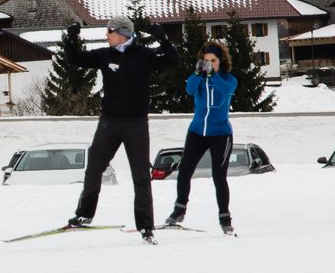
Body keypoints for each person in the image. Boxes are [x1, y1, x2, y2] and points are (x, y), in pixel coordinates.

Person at [63, 16, 178, 241]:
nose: (107, 36)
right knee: (94, 167)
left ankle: (145, 226)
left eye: (109, 32)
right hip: (109, 121)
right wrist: (71, 37)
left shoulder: (144, 55)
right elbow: (74, 59)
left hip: (135, 123)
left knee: (141, 176)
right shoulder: (105, 55)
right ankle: (84, 215)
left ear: (122, 33)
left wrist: (162, 38)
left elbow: (173, 60)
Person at [165, 43, 238, 235]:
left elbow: (225, 90)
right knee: (185, 170)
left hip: (220, 134)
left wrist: (213, 75)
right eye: (206, 61)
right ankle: (179, 210)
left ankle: (225, 218)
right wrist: (198, 74)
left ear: (220, 61)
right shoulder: (199, 79)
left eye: (213, 61)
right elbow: (189, 89)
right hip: (197, 132)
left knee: (219, 176)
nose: (209, 64)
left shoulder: (228, 79)